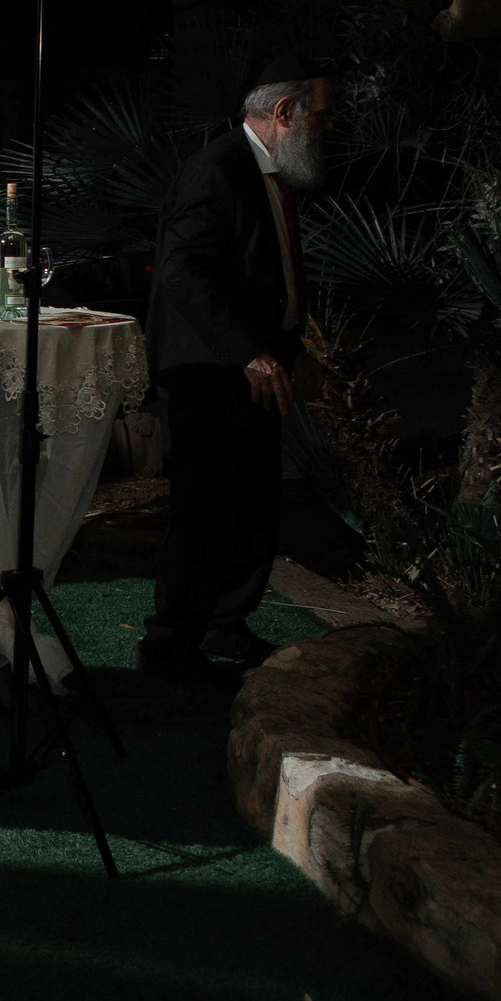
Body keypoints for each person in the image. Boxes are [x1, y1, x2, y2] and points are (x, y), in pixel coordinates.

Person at [140, 58, 335, 680]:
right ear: (285, 112)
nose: (328, 128)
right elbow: (181, 273)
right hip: (210, 369)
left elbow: (262, 275)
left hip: (253, 363)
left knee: (253, 505)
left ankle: (225, 626)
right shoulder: (218, 167)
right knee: (205, 510)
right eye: (321, 115)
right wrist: (249, 352)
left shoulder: (264, 170)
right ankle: (169, 649)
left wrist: (290, 348)